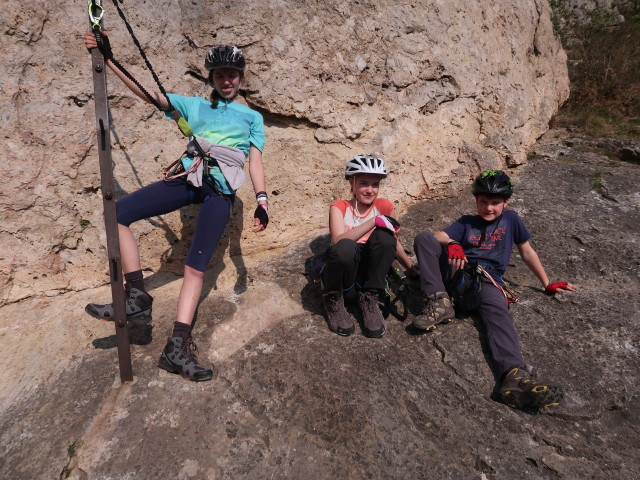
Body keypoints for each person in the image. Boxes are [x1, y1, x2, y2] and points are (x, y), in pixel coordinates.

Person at [83, 32, 269, 382]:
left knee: (195, 268)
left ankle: (177, 347)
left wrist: (262, 200)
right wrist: (109, 60)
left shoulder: (251, 118)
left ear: (241, 77)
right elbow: (148, 93)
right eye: (219, 75)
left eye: (231, 74)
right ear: (211, 78)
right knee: (119, 212)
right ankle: (136, 294)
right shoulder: (195, 106)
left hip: (221, 192)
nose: (226, 80)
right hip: (190, 177)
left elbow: (254, 162)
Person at [412, 170, 576, 410]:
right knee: (425, 238)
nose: (489, 208)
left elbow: (527, 251)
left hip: (487, 280)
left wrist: (546, 283)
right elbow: (438, 236)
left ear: (505, 202)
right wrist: (454, 243)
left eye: (495, 203)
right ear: (476, 201)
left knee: (498, 314)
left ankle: (514, 377)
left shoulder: (511, 220)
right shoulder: (466, 222)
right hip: (457, 274)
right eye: (483, 202)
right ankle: (439, 301)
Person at [321, 154, 415, 338]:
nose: (370, 190)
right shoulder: (339, 206)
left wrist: (411, 269)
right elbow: (338, 241)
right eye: (364, 183)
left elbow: (392, 243)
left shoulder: (385, 206)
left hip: (370, 274)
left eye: (375, 184)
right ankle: (333, 299)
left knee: (385, 237)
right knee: (345, 246)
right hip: (345, 274)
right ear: (351, 183)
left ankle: (369, 299)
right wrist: (374, 221)